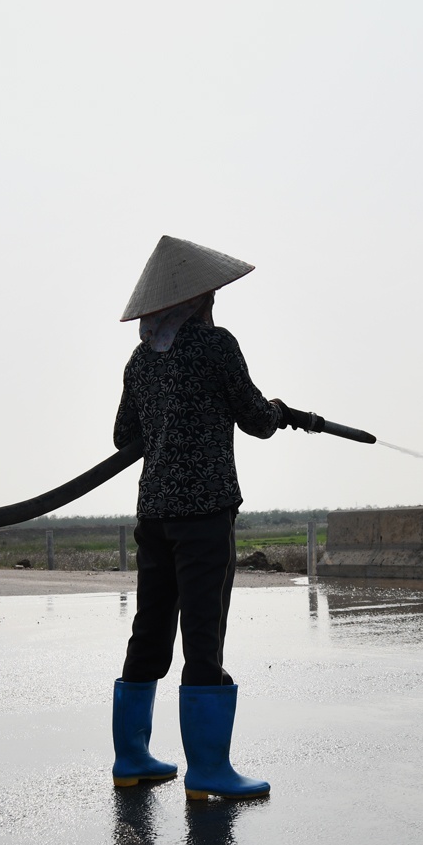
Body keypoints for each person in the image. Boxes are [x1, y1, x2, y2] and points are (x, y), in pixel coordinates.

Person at [110, 236, 291, 800]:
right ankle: (208, 770)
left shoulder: (141, 360)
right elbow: (255, 418)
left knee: (151, 629)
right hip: (206, 513)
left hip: (155, 515)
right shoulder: (216, 346)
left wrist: (165, 422)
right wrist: (277, 413)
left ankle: (131, 758)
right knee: (204, 633)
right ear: (199, 298)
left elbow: (123, 438)